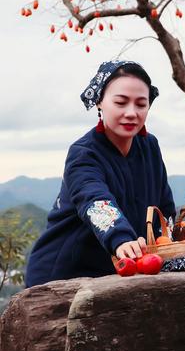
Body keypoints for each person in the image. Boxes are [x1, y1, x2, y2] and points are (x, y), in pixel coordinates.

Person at [25, 60, 176, 287]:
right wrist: (121, 239)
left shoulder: (149, 146)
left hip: (118, 274)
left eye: (141, 104)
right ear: (99, 102)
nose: (131, 113)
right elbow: (94, 200)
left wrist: (170, 242)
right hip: (61, 279)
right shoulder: (83, 154)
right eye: (121, 102)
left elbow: (164, 207)